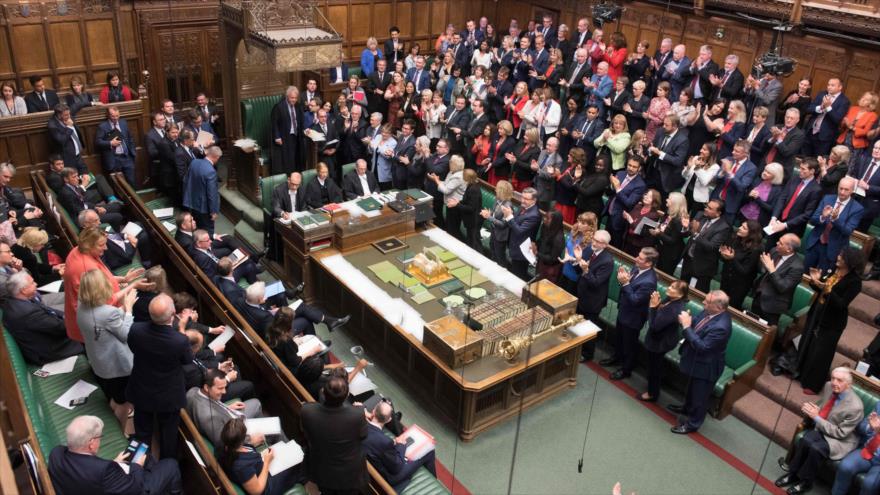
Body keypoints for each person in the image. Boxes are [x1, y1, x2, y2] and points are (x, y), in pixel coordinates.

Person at [776, 368, 864, 494]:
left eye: (839, 380)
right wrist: (813, 409)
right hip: (824, 426)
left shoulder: (855, 407)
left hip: (840, 440)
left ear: (849, 384)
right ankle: (793, 474)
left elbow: (840, 433)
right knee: (806, 440)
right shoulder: (829, 386)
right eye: (833, 378)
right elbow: (823, 406)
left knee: (816, 448)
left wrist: (816, 417)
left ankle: (806, 482)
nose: (834, 382)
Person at [126, 294, 193, 459]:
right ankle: (167, 466)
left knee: (142, 433)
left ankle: (140, 464)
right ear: (172, 316)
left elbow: (133, 348)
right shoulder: (180, 340)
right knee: (168, 435)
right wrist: (182, 329)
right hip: (168, 395)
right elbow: (187, 360)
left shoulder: (136, 329)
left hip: (142, 388)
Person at [48, 415, 182, 494]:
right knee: (170, 464)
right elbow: (136, 487)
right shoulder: (104, 469)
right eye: (100, 437)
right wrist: (136, 465)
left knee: (148, 459)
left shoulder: (56, 453)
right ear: (91, 443)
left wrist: (114, 463)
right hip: (134, 488)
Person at [795, 248, 864, 392]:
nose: (838, 257)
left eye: (841, 256)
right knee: (808, 344)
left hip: (833, 321)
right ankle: (800, 373)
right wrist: (816, 280)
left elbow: (841, 304)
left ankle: (812, 384)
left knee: (821, 353)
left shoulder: (855, 282)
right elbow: (821, 288)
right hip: (818, 312)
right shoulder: (834, 270)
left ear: (849, 261)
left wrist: (827, 290)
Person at [76, 269, 136, 426]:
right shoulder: (108, 314)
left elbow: (107, 320)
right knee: (124, 403)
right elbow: (126, 335)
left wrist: (122, 310)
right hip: (117, 367)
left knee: (115, 397)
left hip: (100, 362)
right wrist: (129, 310)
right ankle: (121, 431)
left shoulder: (81, 305)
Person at [63, 227, 145, 343]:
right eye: (101, 245)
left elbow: (104, 277)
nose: (106, 248)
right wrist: (133, 285)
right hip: (95, 322)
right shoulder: (86, 268)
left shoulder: (79, 250)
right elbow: (107, 301)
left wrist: (124, 279)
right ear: (89, 245)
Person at [669, 290, 732, 434]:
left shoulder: (721, 327)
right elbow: (697, 323)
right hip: (696, 361)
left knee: (700, 398)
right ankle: (687, 408)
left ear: (719, 307)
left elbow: (703, 347)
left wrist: (686, 326)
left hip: (707, 367)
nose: (703, 303)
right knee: (692, 389)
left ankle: (692, 424)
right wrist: (689, 320)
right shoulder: (708, 311)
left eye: (707, 302)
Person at [300, 376, 368, 493]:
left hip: (320, 467)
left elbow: (304, 431)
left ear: (323, 393)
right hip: (349, 475)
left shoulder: (307, 410)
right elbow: (363, 436)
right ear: (346, 396)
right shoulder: (357, 414)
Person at [2, 271, 82, 365]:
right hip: (50, 350)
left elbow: (48, 309)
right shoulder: (27, 313)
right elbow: (61, 328)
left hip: (47, 336)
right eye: (32, 283)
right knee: (90, 336)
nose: (36, 284)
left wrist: (65, 315)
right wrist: (80, 320)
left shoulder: (18, 299)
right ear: (24, 290)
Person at [605, 247, 658, 380]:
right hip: (624, 310)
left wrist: (626, 282)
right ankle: (616, 357)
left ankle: (626, 369)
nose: (636, 258)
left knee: (629, 345)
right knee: (619, 338)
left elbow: (635, 300)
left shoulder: (649, 281)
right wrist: (621, 279)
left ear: (649, 263)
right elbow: (625, 287)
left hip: (633, 317)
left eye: (640, 258)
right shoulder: (636, 268)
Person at [363, 400, 438, 493]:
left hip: (369, 466)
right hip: (390, 477)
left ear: (373, 411)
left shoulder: (361, 424)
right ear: (389, 419)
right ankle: (434, 482)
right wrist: (401, 445)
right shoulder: (385, 442)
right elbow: (396, 467)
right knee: (429, 451)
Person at [219, 417, 305, 495]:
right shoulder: (242, 466)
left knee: (293, 451)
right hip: (267, 486)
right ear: (241, 440)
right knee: (299, 462)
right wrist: (267, 462)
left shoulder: (227, 444)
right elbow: (257, 490)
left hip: (261, 469)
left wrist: (252, 443)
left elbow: (243, 451)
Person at [187, 369, 263, 447]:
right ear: (206, 387)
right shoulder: (210, 417)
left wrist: (227, 407)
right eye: (220, 388)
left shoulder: (192, 391)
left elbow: (211, 405)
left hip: (226, 415)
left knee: (254, 403)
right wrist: (250, 440)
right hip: (232, 427)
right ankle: (268, 442)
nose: (224, 392)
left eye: (224, 387)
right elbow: (225, 442)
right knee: (256, 404)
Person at [639, 280, 688, 402]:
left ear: (681, 295)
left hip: (660, 343)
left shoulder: (674, 309)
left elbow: (655, 326)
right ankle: (652, 388)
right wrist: (657, 306)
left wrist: (653, 307)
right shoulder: (670, 299)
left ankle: (652, 394)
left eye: (673, 288)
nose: (669, 288)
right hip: (661, 338)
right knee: (654, 365)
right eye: (670, 286)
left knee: (654, 368)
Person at [804, 177, 864, 272]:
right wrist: (823, 217)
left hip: (833, 249)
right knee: (804, 273)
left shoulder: (857, 208)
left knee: (820, 280)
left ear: (852, 190)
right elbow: (813, 220)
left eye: (846, 189)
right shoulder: (827, 198)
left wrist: (836, 219)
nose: (842, 192)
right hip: (815, 243)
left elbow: (848, 231)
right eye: (841, 188)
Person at [572, 229, 612, 362]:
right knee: (577, 323)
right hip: (581, 293)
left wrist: (586, 269)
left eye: (597, 241)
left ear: (604, 245)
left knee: (588, 327)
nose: (593, 242)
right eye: (594, 239)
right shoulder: (589, 250)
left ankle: (587, 354)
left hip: (593, 300)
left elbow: (596, 283)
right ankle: (576, 347)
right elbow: (578, 270)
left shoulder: (607, 261)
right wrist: (577, 260)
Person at [752, 233, 804, 334]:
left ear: (789, 249)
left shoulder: (797, 267)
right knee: (752, 327)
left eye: (780, 243)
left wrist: (771, 269)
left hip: (772, 306)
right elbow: (764, 270)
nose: (777, 243)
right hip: (758, 297)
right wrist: (764, 266)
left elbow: (783, 287)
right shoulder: (775, 251)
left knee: (764, 335)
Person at [765, 157, 823, 246]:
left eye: (803, 169)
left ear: (812, 171)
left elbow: (807, 214)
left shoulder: (816, 189)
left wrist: (785, 225)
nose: (800, 171)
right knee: (768, 249)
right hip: (777, 223)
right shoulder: (794, 179)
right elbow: (782, 198)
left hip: (792, 229)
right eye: (800, 168)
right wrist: (774, 217)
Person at [829, 401, 880, 495]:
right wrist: (870, 427)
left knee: (869, 484)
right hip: (867, 449)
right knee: (845, 466)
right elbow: (861, 427)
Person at [680, 199, 729, 292]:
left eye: (710, 208)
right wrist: (686, 227)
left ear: (718, 213)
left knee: (695, 294)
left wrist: (696, 233)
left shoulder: (723, 227)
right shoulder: (700, 214)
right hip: (688, 259)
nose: (706, 209)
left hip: (702, 267)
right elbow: (687, 233)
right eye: (707, 206)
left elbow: (711, 247)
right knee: (681, 289)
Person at [718, 220, 763, 310]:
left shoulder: (756, 249)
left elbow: (745, 271)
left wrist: (732, 258)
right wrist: (723, 255)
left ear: (751, 233)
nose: (740, 228)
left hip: (739, 286)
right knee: (719, 305)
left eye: (744, 228)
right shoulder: (735, 239)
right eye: (741, 226)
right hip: (726, 278)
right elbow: (727, 258)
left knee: (730, 309)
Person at [710, 139, 757, 223]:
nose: (733, 152)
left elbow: (741, 187)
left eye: (737, 151)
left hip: (730, 205)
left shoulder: (751, 168)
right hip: (716, 198)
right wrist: (722, 172)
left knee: (724, 228)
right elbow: (717, 179)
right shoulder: (729, 159)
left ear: (746, 154)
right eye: (733, 149)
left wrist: (729, 172)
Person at [803, 78, 851, 158]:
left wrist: (828, 107)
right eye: (828, 85)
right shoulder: (822, 94)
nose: (829, 87)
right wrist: (820, 107)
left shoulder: (844, 101)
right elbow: (809, 108)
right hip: (810, 132)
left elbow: (837, 119)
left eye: (832, 85)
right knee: (803, 158)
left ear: (840, 87)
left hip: (825, 138)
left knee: (818, 161)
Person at [606, 156, 646, 248]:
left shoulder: (640, 185)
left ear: (639, 168)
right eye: (629, 165)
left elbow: (629, 203)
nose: (631, 168)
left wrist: (618, 188)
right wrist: (612, 186)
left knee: (615, 245)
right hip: (609, 211)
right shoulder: (620, 173)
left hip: (620, 218)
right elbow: (610, 192)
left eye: (634, 167)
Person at [183, 145, 222, 236]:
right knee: (207, 230)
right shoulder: (211, 171)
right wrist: (213, 211)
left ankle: (197, 243)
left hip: (191, 202)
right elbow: (211, 194)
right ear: (216, 157)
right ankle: (207, 247)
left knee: (196, 226)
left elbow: (186, 180)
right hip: (204, 208)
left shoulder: (194, 162)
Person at [503, 187, 541, 281]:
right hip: (514, 246)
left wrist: (509, 217)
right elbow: (514, 222)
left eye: (526, 199)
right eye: (522, 197)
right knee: (513, 273)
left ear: (534, 200)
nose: (523, 201)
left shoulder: (534, 215)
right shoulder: (522, 207)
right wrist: (508, 216)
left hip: (522, 252)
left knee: (518, 277)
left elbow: (519, 231)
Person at [647, 114, 690, 195]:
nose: (663, 126)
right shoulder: (660, 131)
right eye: (664, 123)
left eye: (666, 125)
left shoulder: (683, 140)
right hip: (653, 170)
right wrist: (650, 150)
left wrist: (659, 153)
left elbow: (677, 161)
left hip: (666, 177)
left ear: (675, 126)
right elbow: (653, 145)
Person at [95, 106, 136, 185]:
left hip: (126, 157)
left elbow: (130, 137)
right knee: (118, 184)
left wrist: (133, 152)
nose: (115, 118)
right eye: (113, 116)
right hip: (114, 159)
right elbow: (98, 142)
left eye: (117, 116)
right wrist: (110, 143)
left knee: (131, 181)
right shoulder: (103, 126)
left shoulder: (123, 123)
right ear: (108, 115)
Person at [429, 155, 466, 239]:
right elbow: (446, 184)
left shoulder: (458, 176)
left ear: (454, 164)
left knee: (453, 229)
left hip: (455, 205)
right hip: (450, 204)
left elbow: (446, 190)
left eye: (450, 162)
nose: (449, 164)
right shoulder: (452, 172)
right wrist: (437, 180)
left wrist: (437, 181)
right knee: (450, 227)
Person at [651, 192, 689, 275]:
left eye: (669, 199)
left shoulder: (679, 220)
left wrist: (658, 233)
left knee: (663, 275)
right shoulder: (669, 213)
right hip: (662, 249)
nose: (666, 200)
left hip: (670, 254)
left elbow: (672, 240)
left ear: (675, 203)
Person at [271, 86, 304, 175]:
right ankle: (289, 176)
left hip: (296, 136)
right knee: (287, 159)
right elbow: (274, 123)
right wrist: (277, 137)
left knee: (296, 157)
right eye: (292, 98)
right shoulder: (279, 107)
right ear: (287, 97)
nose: (294, 100)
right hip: (285, 136)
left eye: (296, 98)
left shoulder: (298, 106)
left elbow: (300, 120)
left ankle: (296, 175)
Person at [849, 140, 880, 233]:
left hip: (869, 206)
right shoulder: (863, 159)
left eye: (879, 149)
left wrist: (868, 187)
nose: (876, 150)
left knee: (857, 235)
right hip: (853, 200)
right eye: (875, 148)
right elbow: (854, 174)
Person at [47, 103, 88, 174]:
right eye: (66, 115)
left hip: (78, 155)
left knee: (86, 176)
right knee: (73, 178)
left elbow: (77, 105)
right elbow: (61, 140)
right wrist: (69, 127)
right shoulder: (52, 125)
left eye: (69, 114)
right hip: (68, 158)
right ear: (59, 115)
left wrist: (92, 103)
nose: (69, 116)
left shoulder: (68, 114)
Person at [681, 142, 719, 214]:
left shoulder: (715, 167)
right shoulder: (696, 158)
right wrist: (688, 167)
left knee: (693, 221)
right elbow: (684, 175)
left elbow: (704, 182)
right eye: (701, 148)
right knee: (681, 215)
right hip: (687, 192)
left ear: (711, 153)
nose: (701, 150)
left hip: (699, 199)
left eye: (704, 150)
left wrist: (698, 168)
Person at [481, 179, 513, 267]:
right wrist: (490, 213)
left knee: (500, 257)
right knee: (493, 253)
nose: (495, 190)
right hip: (494, 231)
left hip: (501, 236)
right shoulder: (497, 200)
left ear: (501, 191)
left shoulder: (507, 206)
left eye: (497, 188)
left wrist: (489, 217)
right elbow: (495, 214)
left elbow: (503, 225)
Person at [621, 189, 662, 257]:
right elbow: (629, 219)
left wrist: (631, 221)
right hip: (628, 239)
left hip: (639, 245)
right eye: (646, 194)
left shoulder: (655, 215)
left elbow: (642, 231)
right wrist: (626, 217)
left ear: (654, 201)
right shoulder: (638, 206)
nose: (645, 197)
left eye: (649, 196)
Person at [533, 210, 565, 282]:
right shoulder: (545, 226)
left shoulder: (558, 239)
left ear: (555, 222)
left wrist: (537, 253)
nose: (544, 219)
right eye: (545, 217)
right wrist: (534, 245)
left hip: (550, 269)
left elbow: (553, 259)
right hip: (541, 262)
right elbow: (541, 239)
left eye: (548, 218)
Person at [456, 169, 483, 250]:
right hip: (471, 220)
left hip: (474, 221)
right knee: (470, 242)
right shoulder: (471, 185)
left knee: (475, 244)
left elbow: (471, 208)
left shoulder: (473, 189)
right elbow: (467, 200)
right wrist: (459, 202)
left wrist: (457, 204)